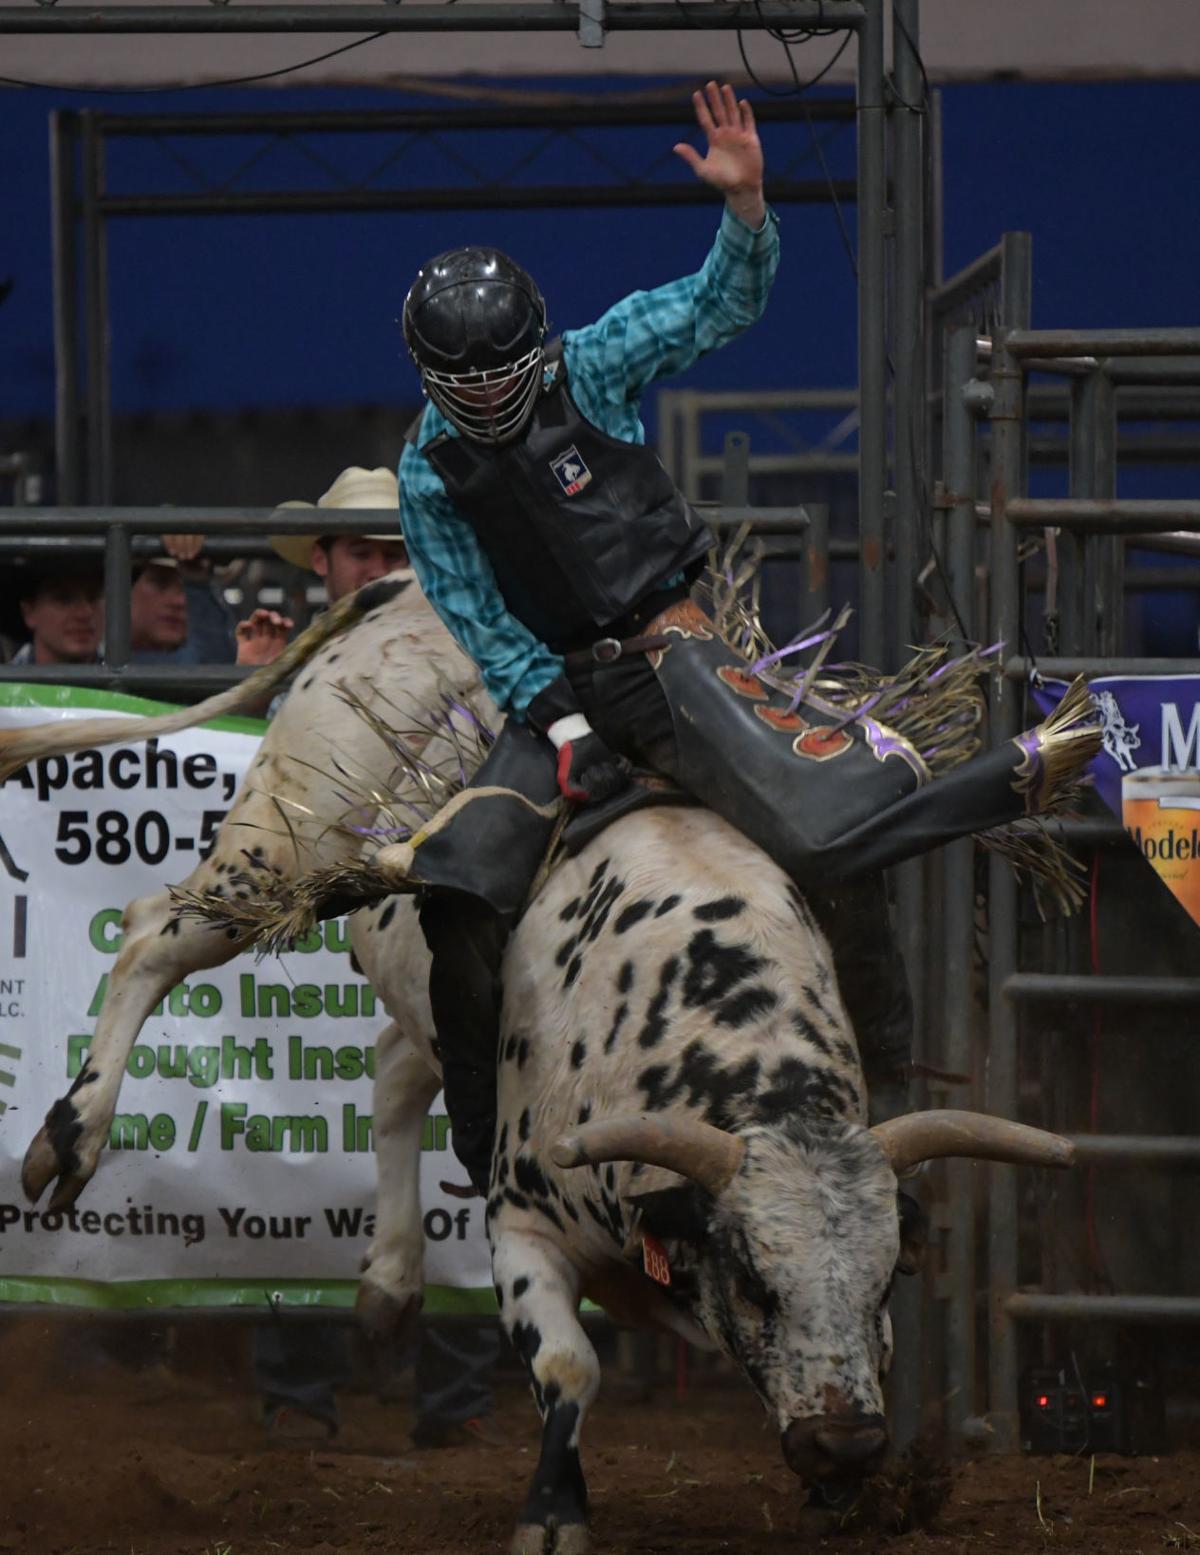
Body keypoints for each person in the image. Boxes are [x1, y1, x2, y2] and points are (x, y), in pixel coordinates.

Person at [392, 80, 1100, 1196]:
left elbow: (714, 307)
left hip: (672, 656)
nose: (485, 399)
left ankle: (889, 1084)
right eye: (462, 383)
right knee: (459, 893)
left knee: (826, 838)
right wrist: (564, 725)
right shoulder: (427, 470)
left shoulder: (594, 360)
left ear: (537, 349)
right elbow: (481, 616)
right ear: (431, 377)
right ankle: (485, 1145)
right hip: (563, 692)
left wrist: (746, 210)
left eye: (502, 375)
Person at [252, 466, 500, 1448]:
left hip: (427, 935)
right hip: (316, 960)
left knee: (467, 1146)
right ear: (323, 561)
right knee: (292, 1162)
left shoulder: (469, 653)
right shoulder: (297, 670)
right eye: (364, 551)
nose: (384, 567)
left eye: (400, 550)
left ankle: (458, 1401)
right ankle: (296, 1391)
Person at [9, 557, 104, 666]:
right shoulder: (5, 677)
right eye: (64, 599)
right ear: (29, 613)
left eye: (93, 598)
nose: (85, 613)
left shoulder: (119, 673)